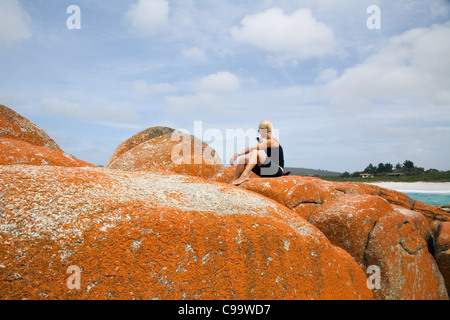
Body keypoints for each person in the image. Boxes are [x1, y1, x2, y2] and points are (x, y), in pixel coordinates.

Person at [230, 120, 288, 186]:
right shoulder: (268, 142)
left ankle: (244, 175)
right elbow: (269, 155)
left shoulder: (272, 141)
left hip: (277, 170)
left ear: (262, 131)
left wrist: (237, 154)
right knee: (243, 159)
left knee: (255, 152)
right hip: (269, 170)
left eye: (259, 131)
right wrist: (261, 142)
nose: (259, 133)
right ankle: (234, 180)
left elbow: (252, 149)